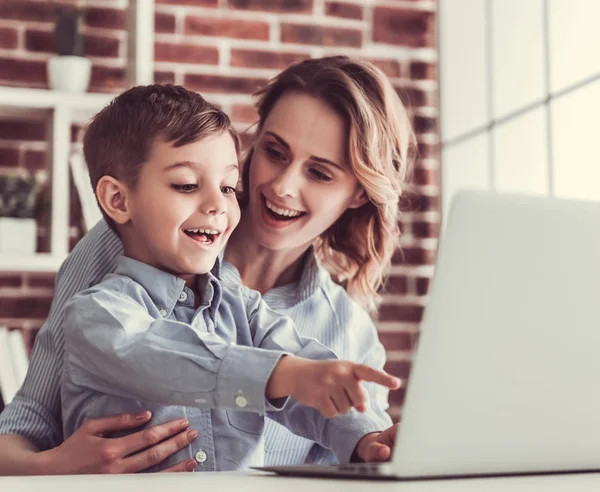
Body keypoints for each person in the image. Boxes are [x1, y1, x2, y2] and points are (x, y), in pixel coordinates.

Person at [0, 56, 416, 475]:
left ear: (360, 193)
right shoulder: (104, 295)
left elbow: (312, 386)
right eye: (273, 151)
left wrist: (366, 439)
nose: (282, 186)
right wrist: (55, 469)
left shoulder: (276, 314)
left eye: (321, 173)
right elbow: (150, 356)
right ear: (119, 202)